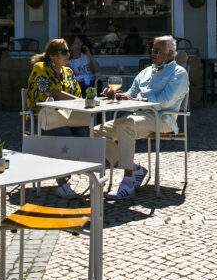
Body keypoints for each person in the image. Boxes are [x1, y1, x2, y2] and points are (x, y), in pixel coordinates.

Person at [94, 35, 189, 200]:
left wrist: (134, 100)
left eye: (158, 51)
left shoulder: (178, 72)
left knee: (127, 124)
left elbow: (165, 101)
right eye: (152, 50)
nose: (153, 53)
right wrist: (116, 95)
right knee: (97, 131)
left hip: (163, 118)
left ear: (170, 54)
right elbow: (131, 94)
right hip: (139, 116)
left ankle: (128, 181)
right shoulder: (146, 72)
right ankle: (135, 169)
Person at [26, 38, 91, 199]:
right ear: (52, 55)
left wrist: (84, 102)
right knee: (64, 136)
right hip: (42, 116)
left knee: (86, 132)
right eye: (64, 52)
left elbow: (76, 95)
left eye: (68, 51)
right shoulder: (40, 68)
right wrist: (81, 101)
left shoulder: (68, 72)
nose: (68, 54)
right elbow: (52, 92)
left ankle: (71, 169)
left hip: (66, 116)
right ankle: (61, 182)